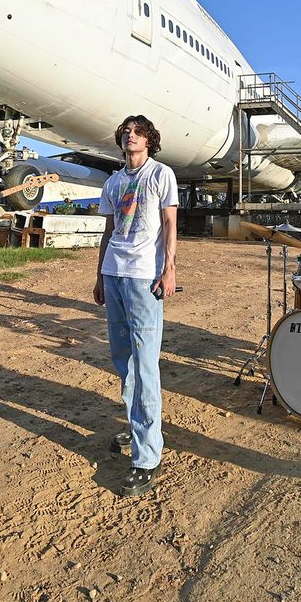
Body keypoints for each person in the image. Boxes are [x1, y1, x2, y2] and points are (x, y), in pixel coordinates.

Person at [92, 115, 178, 497]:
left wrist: (169, 269)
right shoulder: (113, 182)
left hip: (145, 276)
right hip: (114, 274)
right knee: (122, 359)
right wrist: (99, 275)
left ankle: (147, 457)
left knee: (145, 364)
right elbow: (108, 231)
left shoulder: (161, 175)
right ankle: (136, 426)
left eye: (137, 131)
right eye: (126, 131)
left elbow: (171, 225)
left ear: (149, 139)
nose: (130, 135)